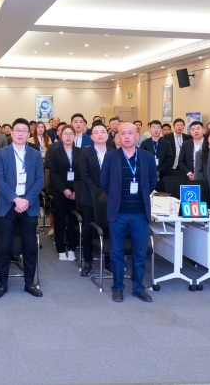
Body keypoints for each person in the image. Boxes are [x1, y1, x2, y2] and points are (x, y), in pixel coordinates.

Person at [100, 122, 157, 303]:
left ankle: (138, 287)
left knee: (140, 253)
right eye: (122, 133)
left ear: (137, 136)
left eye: (130, 133)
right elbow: (104, 182)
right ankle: (118, 287)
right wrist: (116, 197)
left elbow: (152, 182)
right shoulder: (111, 157)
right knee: (116, 253)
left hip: (140, 213)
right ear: (118, 137)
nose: (126, 136)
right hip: (118, 213)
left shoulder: (147, 157)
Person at [0, 118, 44, 298]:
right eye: (17, 130)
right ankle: (2, 284)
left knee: (29, 246)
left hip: (29, 206)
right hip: (7, 206)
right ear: (11, 133)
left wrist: (26, 200)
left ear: (29, 134)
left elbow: (40, 180)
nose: (20, 133)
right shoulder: (1, 153)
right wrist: (15, 199)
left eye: (24, 130)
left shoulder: (35, 154)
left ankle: (29, 283)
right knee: (4, 246)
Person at [78, 122, 113, 276]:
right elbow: (84, 175)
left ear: (107, 135)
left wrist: (107, 192)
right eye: (96, 132)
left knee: (110, 229)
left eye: (103, 132)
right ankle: (88, 262)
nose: (100, 134)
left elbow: (116, 175)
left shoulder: (114, 153)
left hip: (110, 198)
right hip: (89, 198)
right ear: (91, 137)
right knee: (88, 230)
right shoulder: (85, 153)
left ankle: (109, 260)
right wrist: (97, 192)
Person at [48, 124, 80, 261]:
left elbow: (82, 173)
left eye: (70, 134)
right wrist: (64, 189)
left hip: (76, 191)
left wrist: (76, 190)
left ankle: (72, 248)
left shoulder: (80, 152)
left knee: (73, 221)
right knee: (60, 221)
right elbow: (54, 173)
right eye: (65, 134)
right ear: (61, 136)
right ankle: (61, 249)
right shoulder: (56, 152)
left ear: (74, 136)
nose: (68, 136)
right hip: (60, 191)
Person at [139, 120, 173, 191]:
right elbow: (141, 159)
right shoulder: (144, 143)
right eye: (153, 127)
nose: (156, 130)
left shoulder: (166, 143)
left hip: (163, 175)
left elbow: (169, 159)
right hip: (148, 175)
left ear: (161, 130)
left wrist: (158, 172)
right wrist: (152, 172)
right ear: (150, 130)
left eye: (158, 127)